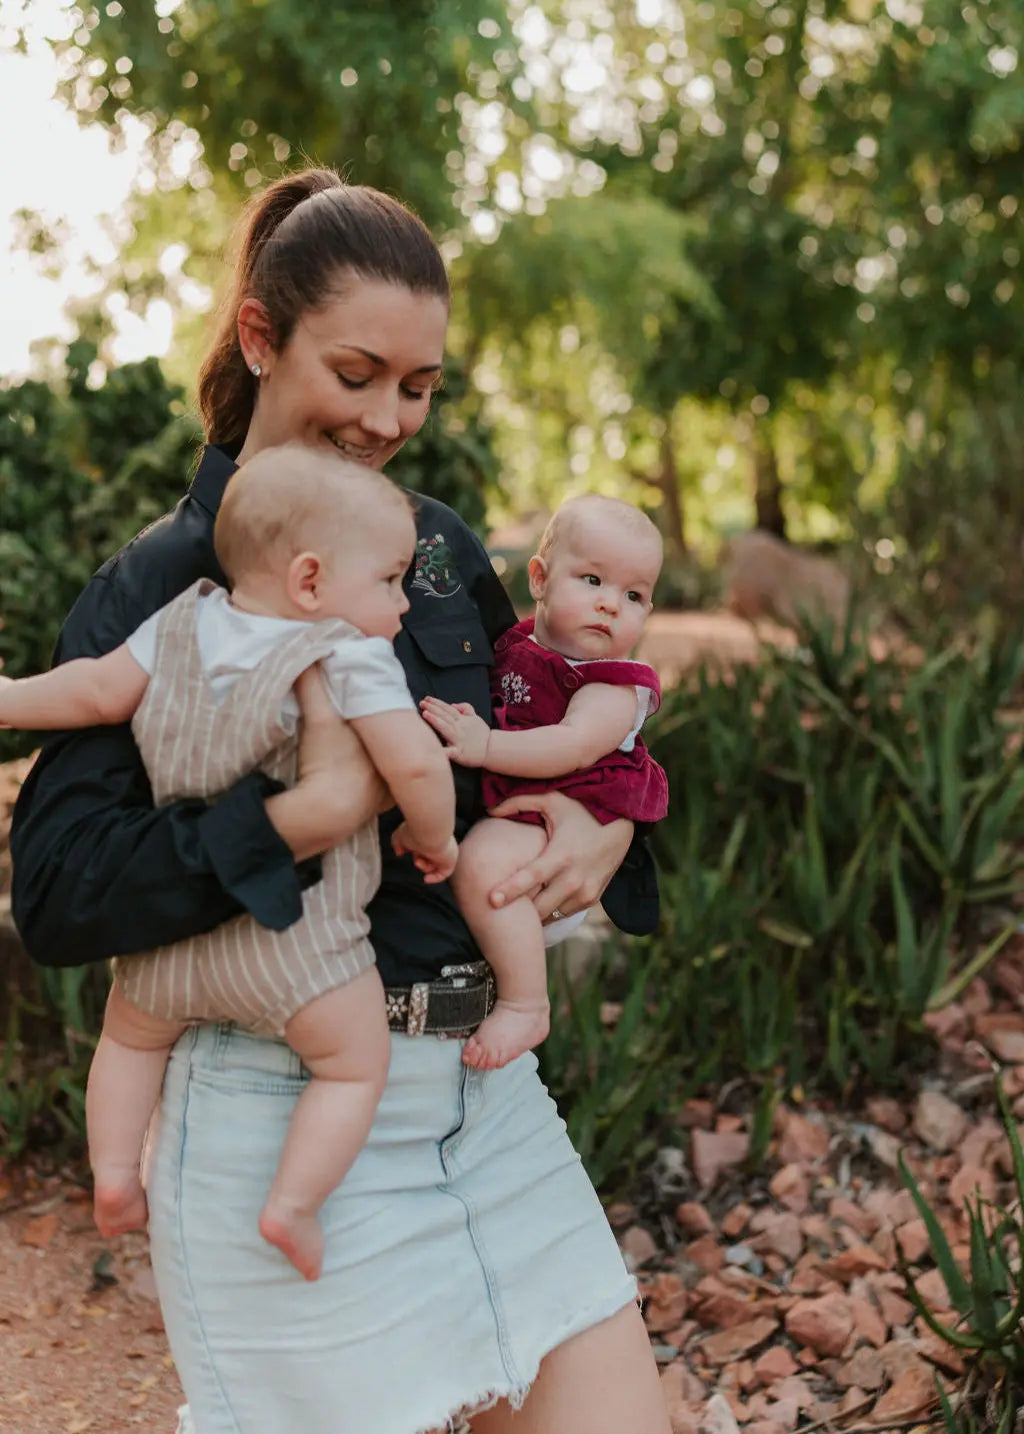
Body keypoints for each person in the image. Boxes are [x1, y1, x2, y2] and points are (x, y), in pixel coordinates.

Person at [10, 167, 671, 1434]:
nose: (387, 419)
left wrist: (609, 824)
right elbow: (57, 887)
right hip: (279, 1121)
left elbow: (555, 722)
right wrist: (301, 818)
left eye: (418, 387)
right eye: (356, 374)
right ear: (260, 336)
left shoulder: (433, 549)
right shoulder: (161, 583)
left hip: (487, 1106)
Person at [0, 446, 457, 1282]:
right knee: (355, 1066)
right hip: (297, 949)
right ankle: (293, 1206)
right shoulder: (344, 652)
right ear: (312, 582)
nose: (400, 605)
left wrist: (6, 696)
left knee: (128, 1044)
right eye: (391, 580)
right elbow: (417, 765)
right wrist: (437, 839)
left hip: (166, 946)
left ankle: (110, 1176)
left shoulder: (179, 622)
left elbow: (93, 693)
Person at [421, 495, 669, 1070]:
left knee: (481, 863)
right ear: (539, 578)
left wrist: (486, 745)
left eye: (633, 596)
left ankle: (527, 1003)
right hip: (524, 801)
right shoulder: (517, 645)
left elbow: (571, 746)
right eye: (592, 580)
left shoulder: (613, 686)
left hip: (569, 804)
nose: (610, 605)